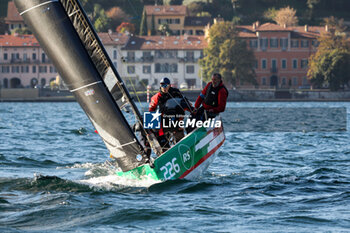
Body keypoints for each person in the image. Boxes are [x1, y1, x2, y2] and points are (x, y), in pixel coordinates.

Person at [149, 77, 192, 151]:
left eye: (166, 86)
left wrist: (192, 110)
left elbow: (184, 102)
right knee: (160, 136)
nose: (164, 87)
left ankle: (183, 148)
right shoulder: (157, 97)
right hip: (164, 120)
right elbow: (151, 110)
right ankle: (164, 150)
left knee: (179, 132)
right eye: (162, 85)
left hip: (176, 119)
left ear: (169, 85)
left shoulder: (176, 92)